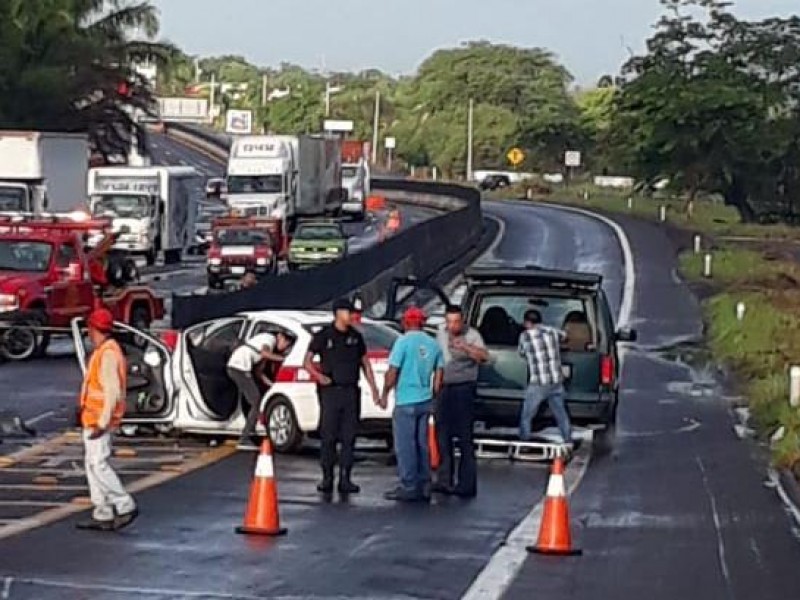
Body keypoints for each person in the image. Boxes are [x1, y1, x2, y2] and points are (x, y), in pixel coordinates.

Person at [304, 299, 380, 495]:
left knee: (349, 436)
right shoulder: (324, 335)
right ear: (338, 313)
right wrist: (318, 376)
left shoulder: (356, 337)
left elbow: (365, 363)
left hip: (350, 390)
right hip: (330, 391)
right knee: (328, 436)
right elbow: (307, 361)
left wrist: (373, 388)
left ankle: (346, 478)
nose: (352, 316)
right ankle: (327, 477)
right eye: (348, 312)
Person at [76, 308, 138, 531]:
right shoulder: (105, 350)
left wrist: (103, 423)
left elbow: (112, 392)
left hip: (99, 420)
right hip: (92, 417)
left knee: (98, 464)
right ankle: (102, 511)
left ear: (94, 330)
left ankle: (124, 504)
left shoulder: (108, 353)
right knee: (92, 465)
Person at [380, 306, 444, 502]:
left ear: (406, 322)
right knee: (422, 444)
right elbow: (439, 375)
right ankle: (424, 483)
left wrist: (385, 392)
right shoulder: (433, 344)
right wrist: (433, 395)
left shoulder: (403, 342)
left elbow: (393, 371)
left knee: (405, 445)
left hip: (406, 399)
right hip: (425, 400)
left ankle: (409, 485)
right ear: (422, 323)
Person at [434, 305, 489, 498]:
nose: (453, 326)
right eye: (449, 322)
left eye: (456, 321)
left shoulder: (472, 335)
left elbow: (484, 357)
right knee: (443, 434)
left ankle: (466, 483)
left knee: (465, 436)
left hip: (464, 387)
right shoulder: (440, 334)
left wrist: (465, 347)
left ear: (462, 320)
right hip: (444, 388)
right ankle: (444, 479)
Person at [227, 331, 291, 450]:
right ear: (280, 337)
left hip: (241, 369)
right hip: (238, 368)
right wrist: (283, 359)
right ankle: (244, 438)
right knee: (256, 401)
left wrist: (273, 386)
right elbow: (265, 353)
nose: (284, 347)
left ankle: (249, 431)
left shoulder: (268, 346)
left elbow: (259, 372)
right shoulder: (269, 338)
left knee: (255, 399)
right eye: (285, 343)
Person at [518, 309, 573, 445]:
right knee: (561, 414)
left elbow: (521, 352)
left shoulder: (525, 336)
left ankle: (524, 442)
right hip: (556, 380)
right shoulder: (552, 331)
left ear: (527, 323)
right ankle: (567, 440)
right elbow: (565, 336)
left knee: (527, 415)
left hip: (539, 382)